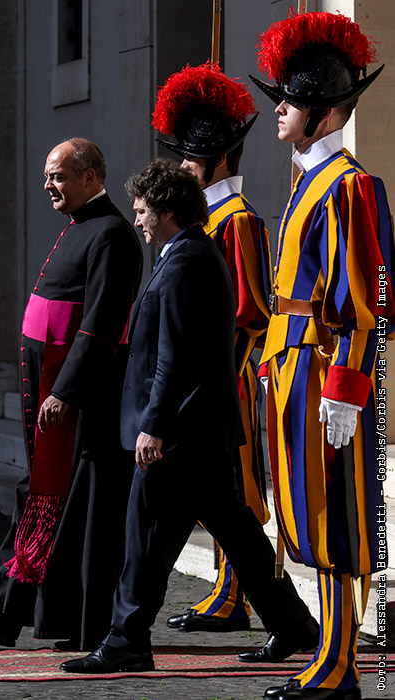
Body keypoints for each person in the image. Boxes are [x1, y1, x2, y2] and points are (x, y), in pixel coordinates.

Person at [60, 158, 318, 675]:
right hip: (200, 429)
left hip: (179, 432)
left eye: (142, 211)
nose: (137, 220)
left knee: (144, 536)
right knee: (238, 533)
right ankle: (293, 624)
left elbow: (174, 357)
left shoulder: (185, 261)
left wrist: (153, 426)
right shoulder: (190, 252)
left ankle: (127, 640)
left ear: (167, 211)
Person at [0, 138, 142, 651]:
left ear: (90, 177)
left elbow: (100, 323)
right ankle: (1, 613)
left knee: (57, 503)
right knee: (42, 498)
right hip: (52, 387)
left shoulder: (112, 233)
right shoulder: (80, 225)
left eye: (59, 176)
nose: (49, 185)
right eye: (48, 176)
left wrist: (66, 390)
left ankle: (15, 614)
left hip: (78, 399)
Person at [249, 11, 392, 700]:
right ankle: (332, 661)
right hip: (293, 366)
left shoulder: (349, 185)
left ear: (325, 113)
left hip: (325, 373)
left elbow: (366, 303)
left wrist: (346, 388)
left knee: (338, 516)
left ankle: (339, 668)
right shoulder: (308, 179)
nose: (279, 108)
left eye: (292, 99)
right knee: (310, 515)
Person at [150, 62, 275, 635]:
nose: (182, 166)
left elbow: (250, 314)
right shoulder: (210, 217)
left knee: (235, 489)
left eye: (192, 157)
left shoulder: (237, 220)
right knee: (217, 490)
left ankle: (237, 596)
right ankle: (229, 591)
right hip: (211, 375)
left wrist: (221, 376)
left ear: (219, 159)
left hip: (230, 376)